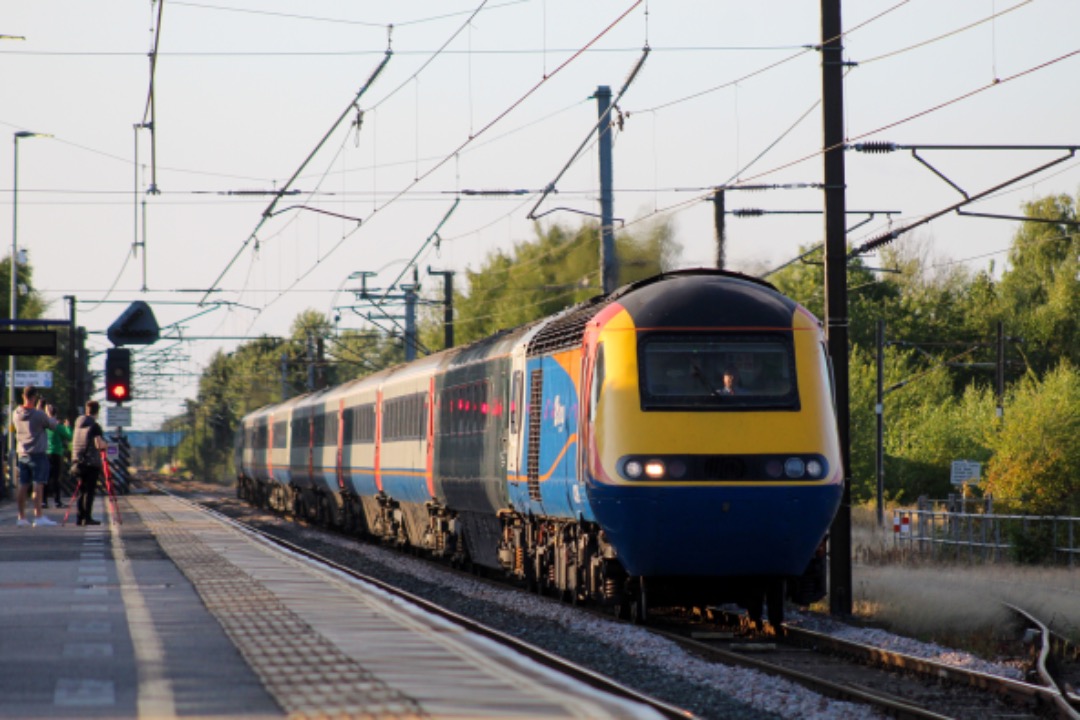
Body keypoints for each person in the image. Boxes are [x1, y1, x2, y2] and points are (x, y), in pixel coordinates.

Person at [12, 386, 60, 527]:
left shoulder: (16, 413)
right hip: (38, 454)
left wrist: (39, 409)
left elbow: (30, 416)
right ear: (34, 397)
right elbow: (52, 425)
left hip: (22, 453)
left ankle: (21, 517)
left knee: (23, 485)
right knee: (38, 484)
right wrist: (50, 414)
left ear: (23, 396)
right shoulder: (39, 415)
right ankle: (38, 516)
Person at [71, 400, 108, 526]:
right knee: (90, 491)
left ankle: (79, 517)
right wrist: (106, 445)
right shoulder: (94, 426)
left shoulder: (78, 423)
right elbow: (98, 444)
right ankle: (87, 517)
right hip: (91, 463)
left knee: (81, 490)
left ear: (87, 410)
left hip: (78, 462)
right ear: (97, 411)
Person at [46, 415, 73, 508]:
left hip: (46, 453)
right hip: (57, 453)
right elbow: (70, 437)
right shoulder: (58, 427)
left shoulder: (44, 426)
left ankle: (43, 501)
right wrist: (68, 427)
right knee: (56, 478)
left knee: (46, 477)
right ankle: (57, 501)